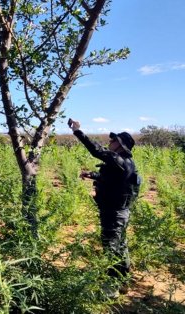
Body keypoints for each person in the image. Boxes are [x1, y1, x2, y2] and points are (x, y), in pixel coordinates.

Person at [69, 118, 141, 298]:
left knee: (111, 248)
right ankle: (123, 282)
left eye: (113, 140)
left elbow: (96, 150)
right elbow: (111, 178)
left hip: (114, 214)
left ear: (121, 145)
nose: (109, 142)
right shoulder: (124, 164)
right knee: (120, 246)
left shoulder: (119, 160)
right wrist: (91, 175)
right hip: (120, 212)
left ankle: (111, 289)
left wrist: (78, 131)